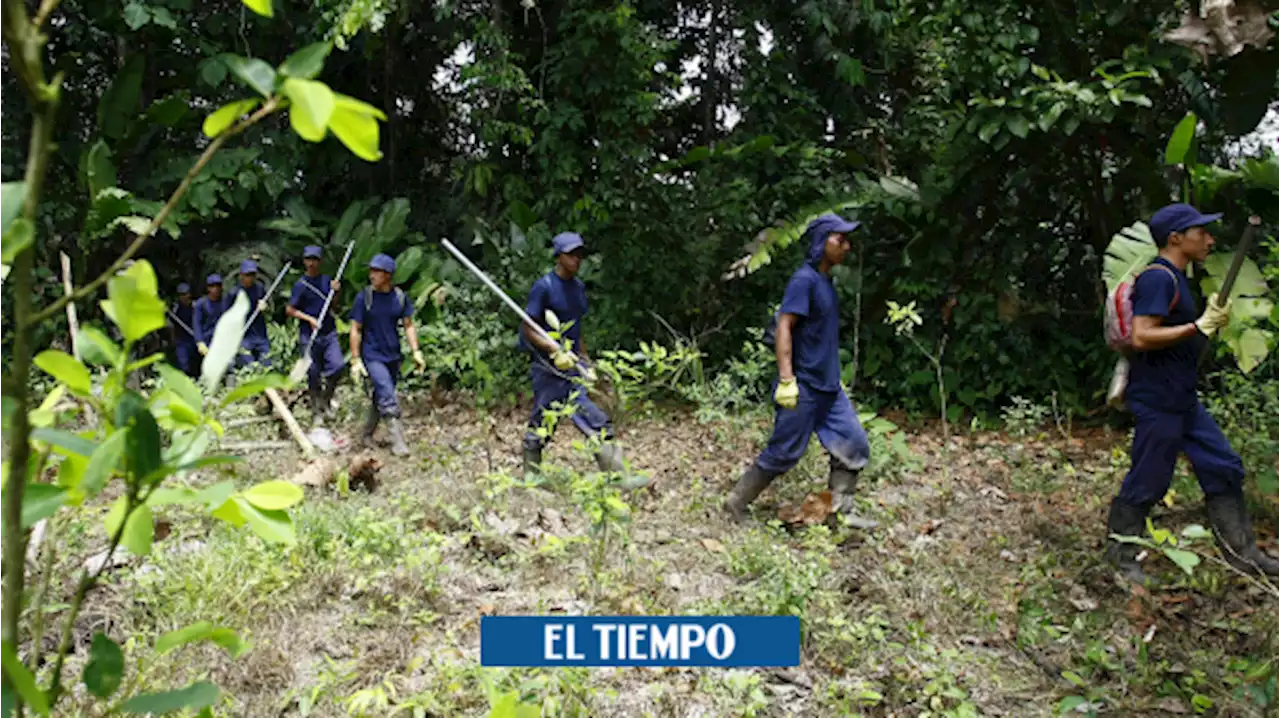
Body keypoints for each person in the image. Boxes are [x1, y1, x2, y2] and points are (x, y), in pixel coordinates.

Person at [1105, 203, 1280, 582]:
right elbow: (1141, 334)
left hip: (1181, 398)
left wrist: (1202, 325)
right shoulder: (1159, 278)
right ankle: (1121, 560)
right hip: (1158, 399)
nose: (1209, 239)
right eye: (1201, 232)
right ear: (1176, 238)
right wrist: (1196, 327)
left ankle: (1244, 556)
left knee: (1224, 468)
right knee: (1149, 478)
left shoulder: (1177, 277)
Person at [724, 213, 876, 528]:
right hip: (803, 386)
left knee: (854, 444)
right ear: (821, 242)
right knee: (783, 453)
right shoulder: (803, 280)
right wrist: (787, 379)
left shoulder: (825, 282)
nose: (846, 246)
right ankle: (736, 504)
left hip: (829, 389)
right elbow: (784, 326)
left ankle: (839, 514)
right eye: (840, 239)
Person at [518, 232, 643, 488]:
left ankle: (618, 476)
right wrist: (553, 349)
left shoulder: (578, 288)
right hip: (547, 368)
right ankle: (531, 477)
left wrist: (585, 359)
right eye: (571, 255)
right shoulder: (544, 287)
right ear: (559, 257)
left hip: (572, 366)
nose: (577, 260)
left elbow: (577, 328)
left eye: (579, 255)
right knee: (544, 420)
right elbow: (528, 328)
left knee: (593, 417)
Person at [348, 253, 425, 456]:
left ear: (388, 275)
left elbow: (408, 325)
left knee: (380, 394)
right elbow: (355, 328)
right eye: (371, 270)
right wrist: (355, 359)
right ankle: (398, 442)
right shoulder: (364, 298)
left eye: (376, 271)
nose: (371, 275)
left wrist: (416, 351)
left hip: (393, 354)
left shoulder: (399, 298)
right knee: (387, 394)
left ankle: (366, 434)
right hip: (372, 354)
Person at [287, 245, 345, 424]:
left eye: (315, 260)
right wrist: (309, 319)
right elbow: (290, 310)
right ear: (304, 262)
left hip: (328, 332)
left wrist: (336, 292)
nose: (311, 263)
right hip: (308, 334)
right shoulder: (301, 285)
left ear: (320, 262)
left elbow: (334, 306)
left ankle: (326, 400)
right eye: (308, 260)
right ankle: (316, 410)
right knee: (312, 371)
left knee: (337, 366)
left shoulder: (327, 281)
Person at [228, 259, 272, 369]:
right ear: (242, 275)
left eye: (253, 275)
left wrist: (264, 307)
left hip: (260, 335)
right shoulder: (234, 293)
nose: (250, 278)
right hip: (243, 336)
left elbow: (270, 310)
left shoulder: (259, 289)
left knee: (266, 364)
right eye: (248, 275)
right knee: (249, 367)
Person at [192, 274, 228, 358]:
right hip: (207, 341)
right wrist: (200, 342)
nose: (215, 288)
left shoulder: (226, 302)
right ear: (208, 288)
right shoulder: (201, 304)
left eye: (218, 285)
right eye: (212, 286)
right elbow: (197, 324)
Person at [169, 282, 199, 377]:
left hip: (195, 339)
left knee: (196, 363)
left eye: (186, 294)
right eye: (182, 294)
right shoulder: (175, 309)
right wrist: (173, 339)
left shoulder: (196, 306)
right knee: (183, 364)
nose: (185, 297)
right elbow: (171, 325)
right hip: (182, 341)